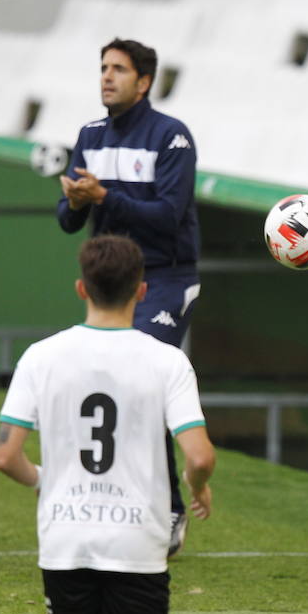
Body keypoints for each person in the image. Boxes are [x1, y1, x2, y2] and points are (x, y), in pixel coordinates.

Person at [0, 236, 215, 614]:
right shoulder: (167, 360)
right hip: (137, 534)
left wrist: (46, 479)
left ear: (81, 288)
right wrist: (198, 486)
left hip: (66, 534)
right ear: (142, 291)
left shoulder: (41, 357)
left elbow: (4, 454)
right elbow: (198, 453)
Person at [57, 37, 201, 558]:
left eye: (118, 69)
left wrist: (103, 197)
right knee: (108, 384)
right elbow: (68, 220)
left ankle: (169, 509)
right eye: (102, 68)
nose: (106, 77)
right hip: (112, 282)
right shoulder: (89, 136)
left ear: (144, 82)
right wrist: (75, 201)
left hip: (164, 278)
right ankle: (120, 505)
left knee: (141, 381)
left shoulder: (172, 137)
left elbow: (167, 214)